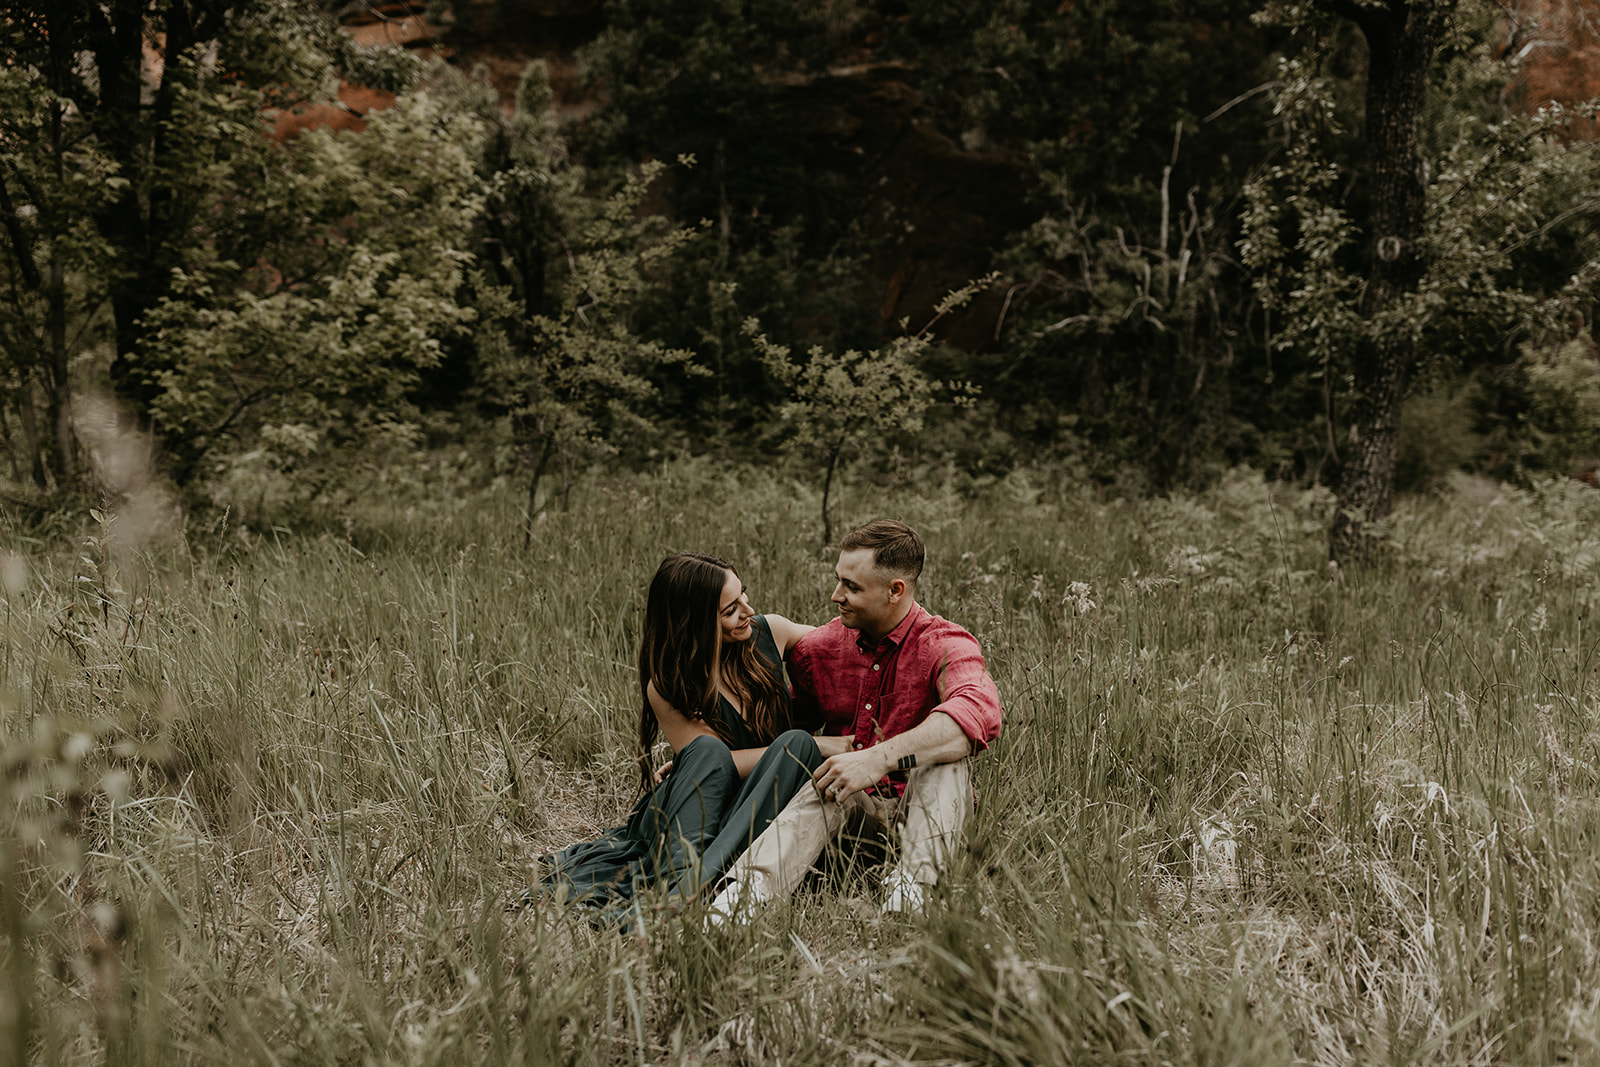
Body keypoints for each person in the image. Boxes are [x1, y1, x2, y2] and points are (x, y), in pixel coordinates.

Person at [709, 519, 1002, 921]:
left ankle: (910, 897)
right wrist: (709, 762)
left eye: (852, 587)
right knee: (829, 778)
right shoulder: (819, 649)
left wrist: (879, 758)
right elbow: (780, 735)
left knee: (946, 757)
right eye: (838, 581)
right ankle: (743, 901)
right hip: (849, 823)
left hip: (928, 821)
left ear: (895, 590)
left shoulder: (945, 644)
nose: (836, 596)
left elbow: (977, 713)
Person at [534, 552, 820, 924]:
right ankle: (683, 885)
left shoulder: (771, 633)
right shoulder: (670, 685)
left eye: (743, 595)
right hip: (705, 813)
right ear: (697, 622)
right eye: (731, 609)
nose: (748, 610)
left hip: (765, 801)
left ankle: (689, 891)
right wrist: (822, 746)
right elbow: (715, 766)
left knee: (796, 745)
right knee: (724, 748)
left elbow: (846, 647)